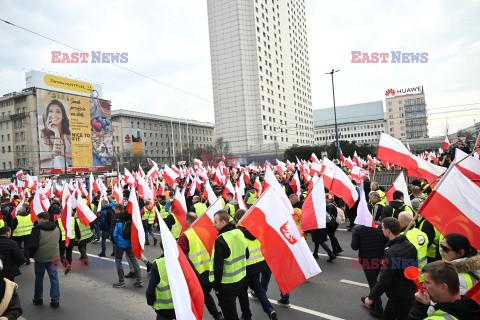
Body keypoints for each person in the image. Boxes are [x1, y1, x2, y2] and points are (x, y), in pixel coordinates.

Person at [364, 217, 417, 320]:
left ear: (388, 230)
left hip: (399, 296)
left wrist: (371, 297)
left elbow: (384, 280)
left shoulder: (392, 252)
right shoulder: (410, 245)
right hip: (406, 291)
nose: (382, 230)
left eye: (383, 228)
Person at [178, 212, 222, 320]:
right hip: (209, 271)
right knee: (206, 295)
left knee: (193, 299)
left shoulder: (186, 235)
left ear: (188, 221)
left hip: (196, 274)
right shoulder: (205, 231)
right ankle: (217, 316)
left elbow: (181, 256)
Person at [235, 209, 277, 320]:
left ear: (237, 219)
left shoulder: (238, 232)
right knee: (258, 289)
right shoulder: (257, 228)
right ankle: (269, 309)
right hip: (258, 263)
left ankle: (246, 315)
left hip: (245, 267)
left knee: (242, 293)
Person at [408, 260, 480, 319]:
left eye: (427, 282)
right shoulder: (471, 307)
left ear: (443, 287)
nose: (423, 285)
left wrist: (419, 309)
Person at [210, 210, 248, 320]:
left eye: (215, 222)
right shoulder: (239, 232)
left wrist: (216, 287)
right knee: (231, 309)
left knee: (230, 313)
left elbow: (218, 267)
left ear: (223, 222)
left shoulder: (220, 240)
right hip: (239, 279)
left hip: (226, 283)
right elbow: (247, 254)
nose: (213, 224)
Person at [352, 221, 387, 319]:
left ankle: (379, 309)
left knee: (373, 284)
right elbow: (385, 242)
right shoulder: (380, 225)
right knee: (374, 281)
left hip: (367, 260)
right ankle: (372, 300)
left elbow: (354, 247)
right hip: (379, 259)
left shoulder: (358, 229)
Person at [28, 212, 61, 308]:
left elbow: (32, 245)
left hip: (41, 257)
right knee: (54, 278)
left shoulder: (37, 230)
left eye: (38, 219)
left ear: (42, 219)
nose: (37, 221)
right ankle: (55, 301)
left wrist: (32, 255)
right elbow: (59, 241)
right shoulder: (57, 228)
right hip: (54, 256)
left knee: (39, 278)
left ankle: (38, 298)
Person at [112, 204, 143, 288]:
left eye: (115, 209)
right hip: (130, 243)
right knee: (133, 260)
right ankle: (139, 280)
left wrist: (115, 242)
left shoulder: (117, 220)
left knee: (118, 260)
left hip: (120, 244)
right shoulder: (130, 218)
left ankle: (121, 281)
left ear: (118, 210)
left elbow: (114, 234)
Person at [39, 100, 72, 168]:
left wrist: (63, 154)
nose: (54, 114)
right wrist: (56, 132)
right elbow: (55, 154)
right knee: (58, 159)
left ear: (62, 116)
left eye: (58, 111)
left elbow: (80, 155)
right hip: (57, 167)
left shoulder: (69, 133)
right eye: (50, 111)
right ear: (47, 115)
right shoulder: (44, 133)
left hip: (74, 168)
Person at [398, 212, 429, 281]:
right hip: (423, 274)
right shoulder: (422, 233)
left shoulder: (402, 237)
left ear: (400, 222)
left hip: (411, 276)